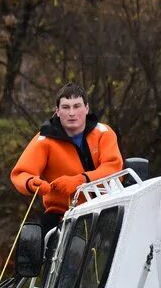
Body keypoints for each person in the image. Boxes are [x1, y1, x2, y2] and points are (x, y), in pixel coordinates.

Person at [10, 82, 124, 237]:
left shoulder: (104, 133)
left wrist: (81, 180)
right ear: (57, 111)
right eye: (66, 107)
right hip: (61, 214)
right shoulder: (44, 140)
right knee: (36, 245)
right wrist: (31, 183)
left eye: (77, 106)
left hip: (108, 210)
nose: (72, 113)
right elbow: (21, 173)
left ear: (87, 108)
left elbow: (114, 168)